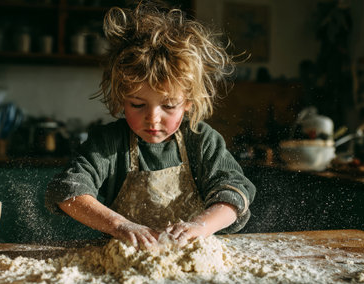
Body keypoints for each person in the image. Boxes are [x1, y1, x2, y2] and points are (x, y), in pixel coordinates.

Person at [45, 1, 256, 250]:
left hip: (192, 261)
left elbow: (234, 194)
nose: (153, 118)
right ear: (121, 99)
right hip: (126, 267)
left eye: (168, 106)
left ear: (187, 102)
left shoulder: (201, 140)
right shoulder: (108, 143)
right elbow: (67, 191)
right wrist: (119, 225)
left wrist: (202, 226)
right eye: (137, 104)